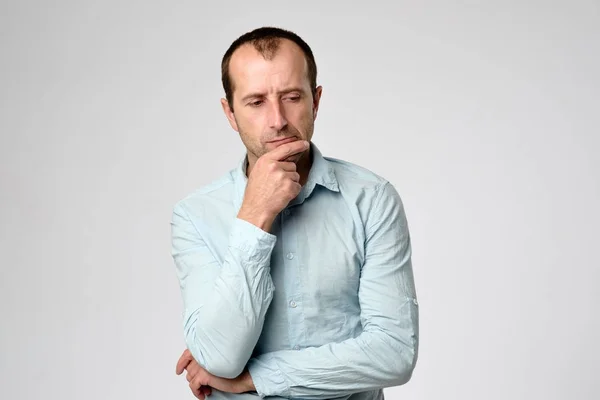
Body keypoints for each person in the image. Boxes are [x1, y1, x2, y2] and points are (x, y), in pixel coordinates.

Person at [170, 26, 419, 400]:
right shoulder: (195, 214)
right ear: (230, 112)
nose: (277, 120)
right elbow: (220, 359)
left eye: (291, 97)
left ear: (315, 101)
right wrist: (255, 215)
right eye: (256, 102)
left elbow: (394, 353)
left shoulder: (373, 198)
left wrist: (256, 378)